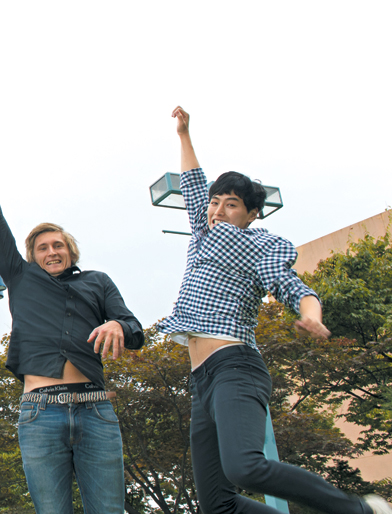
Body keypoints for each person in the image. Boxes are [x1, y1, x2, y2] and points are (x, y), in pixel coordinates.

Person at [160, 106, 391, 514]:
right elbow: (194, 182)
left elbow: (294, 287)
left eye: (231, 205)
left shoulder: (256, 245)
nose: (217, 211)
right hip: (201, 382)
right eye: (215, 203)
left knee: (245, 468)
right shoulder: (201, 230)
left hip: (235, 367)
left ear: (250, 215)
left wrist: (312, 315)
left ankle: (359, 509)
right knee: (218, 505)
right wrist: (184, 135)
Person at [0, 131, 145, 514]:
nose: (52, 251)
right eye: (43, 247)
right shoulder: (20, 277)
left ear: (69, 250)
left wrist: (118, 326)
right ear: (32, 256)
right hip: (40, 412)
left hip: (96, 410)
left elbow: (135, 331)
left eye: (58, 245)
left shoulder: (96, 281)